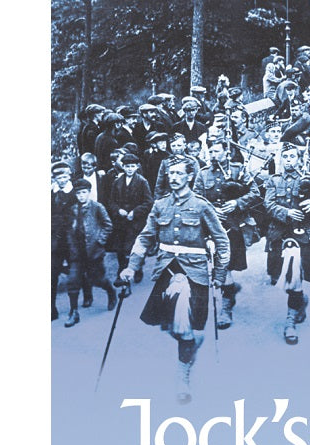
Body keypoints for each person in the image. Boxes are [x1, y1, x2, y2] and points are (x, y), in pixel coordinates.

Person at [119, 155, 230, 404]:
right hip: (166, 271)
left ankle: (183, 375)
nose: (174, 177)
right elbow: (145, 237)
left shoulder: (201, 206)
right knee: (171, 326)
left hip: (195, 273)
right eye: (171, 173)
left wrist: (220, 275)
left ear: (190, 176)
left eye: (180, 173)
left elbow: (222, 240)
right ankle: (188, 345)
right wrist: (131, 266)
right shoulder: (160, 205)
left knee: (187, 328)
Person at [264, 141, 310, 345]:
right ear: (280, 159)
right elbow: (268, 203)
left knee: (295, 279)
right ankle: (300, 300)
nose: (289, 160)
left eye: (293, 156)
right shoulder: (273, 180)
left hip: (302, 236)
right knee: (276, 276)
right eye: (285, 157)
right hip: (279, 235)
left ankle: (290, 321)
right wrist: (285, 212)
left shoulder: (308, 178)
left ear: (299, 158)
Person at [193, 137, 261, 329]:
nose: (214, 155)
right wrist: (210, 210)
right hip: (209, 226)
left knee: (226, 267)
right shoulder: (203, 174)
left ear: (226, 152)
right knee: (211, 266)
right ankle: (223, 297)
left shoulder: (238, 170)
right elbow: (196, 197)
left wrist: (236, 203)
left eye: (217, 151)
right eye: (211, 152)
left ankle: (226, 307)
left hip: (232, 225)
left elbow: (255, 192)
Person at [63, 178, 117, 326]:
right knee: (72, 281)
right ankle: (73, 312)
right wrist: (70, 245)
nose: (81, 196)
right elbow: (69, 229)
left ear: (89, 193)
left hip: (94, 251)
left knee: (97, 279)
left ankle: (111, 291)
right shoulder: (73, 209)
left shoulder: (97, 207)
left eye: (84, 193)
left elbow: (108, 225)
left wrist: (100, 241)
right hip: (77, 253)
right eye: (78, 193)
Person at [106, 152, 153, 281]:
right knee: (120, 249)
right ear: (123, 167)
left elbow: (148, 202)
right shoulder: (117, 182)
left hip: (136, 222)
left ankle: (138, 269)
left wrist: (135, 212)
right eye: (127, 166)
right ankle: (121, 271)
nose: (130, 169)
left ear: (137, 167)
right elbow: (111, 201)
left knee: (134, 247)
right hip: (121, 222)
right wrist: (118, 210)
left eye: (132, 166)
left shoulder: (142, 182)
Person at [51, 160, 76, 321]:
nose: (62, 179)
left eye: (65, 176)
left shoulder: (75, 193)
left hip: (71, 240)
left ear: (69, 176)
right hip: (54, 242)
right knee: (52, 274)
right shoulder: (50, 194)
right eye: (58, 177)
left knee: (74, 275)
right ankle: (51, 309)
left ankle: (74, 309)